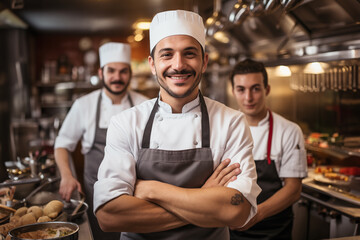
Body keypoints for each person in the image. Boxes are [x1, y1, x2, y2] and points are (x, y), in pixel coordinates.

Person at [94, 10, 261, 240]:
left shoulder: (231, 122)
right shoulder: (126, 123)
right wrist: (205, 198)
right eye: (167, 55)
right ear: (152, 64)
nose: (179, 65)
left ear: (204, 62)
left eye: (189, 53)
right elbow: (109, 216)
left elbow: (237, 210)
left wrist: (151, 190)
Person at [54, 42, 148, 240]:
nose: (117, 77)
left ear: (130, 73)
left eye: (123, 71)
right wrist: (66, 175)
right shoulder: (84, 105)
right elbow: (62, 144)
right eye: (111, 71)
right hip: (95, 194)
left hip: (136, 195)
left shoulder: (144, 105)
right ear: (101, 72)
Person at [229, 59, 308, 240]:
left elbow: (293, 189)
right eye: (241, 89)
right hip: (229, 228)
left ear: (267, 90)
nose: (248, 97)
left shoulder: (289, 130)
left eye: (255, 88)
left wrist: (256, 215)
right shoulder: (224, 129)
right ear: (233, 91)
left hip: (274, 230)